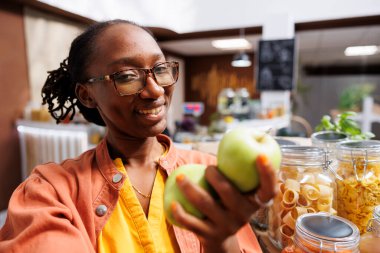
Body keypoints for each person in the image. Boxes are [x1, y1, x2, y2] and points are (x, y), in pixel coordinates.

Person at [0, 19, 277, 253]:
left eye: (160, 69)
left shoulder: (210, 173)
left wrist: (222, 242)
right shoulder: (50, 192)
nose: (155, 90)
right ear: (87, 94)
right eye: (128, 76)